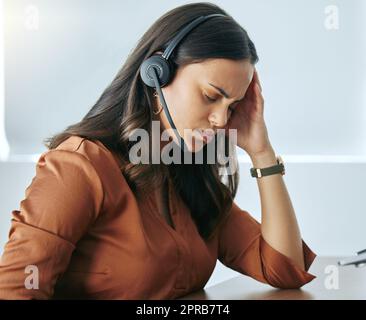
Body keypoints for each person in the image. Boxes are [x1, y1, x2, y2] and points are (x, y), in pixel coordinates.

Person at [0, 2, 316, 299]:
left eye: (232, 107)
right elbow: (14, 290)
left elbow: (285, 268)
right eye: (210, 95)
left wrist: (261, 151)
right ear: (156, 73)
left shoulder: (190, 175)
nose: (221, 120)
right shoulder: (80, 166)